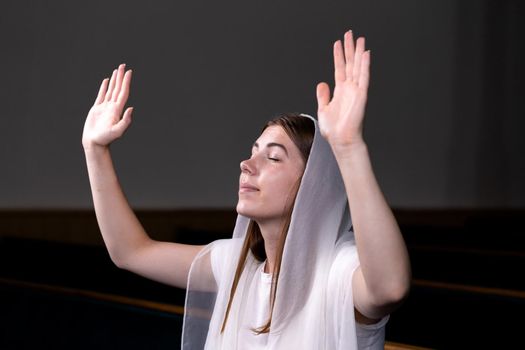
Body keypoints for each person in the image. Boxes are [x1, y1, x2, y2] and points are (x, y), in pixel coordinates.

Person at [82, 30, 411, 349]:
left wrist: (348, 145)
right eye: (253, 151)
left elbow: (389, 288)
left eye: (272, 157)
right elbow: (131, 252)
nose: (246, 164)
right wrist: (94, 150)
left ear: (314, 187)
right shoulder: (237, 265)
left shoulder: (340, 271)